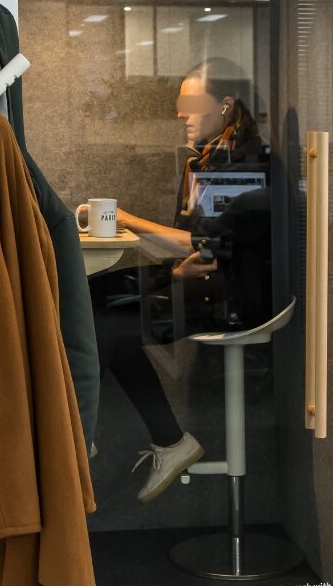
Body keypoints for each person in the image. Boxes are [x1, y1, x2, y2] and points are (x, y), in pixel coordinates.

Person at [90, 58, 270, 503]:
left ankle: (85, 435)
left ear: (225, 105)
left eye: (191, 103)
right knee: (91, 294)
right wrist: (178, 262)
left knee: (105, 325)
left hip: (233, 296)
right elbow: (195, 244)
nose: (180, 114)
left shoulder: (240, 162)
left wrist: (125, 218)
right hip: (207, 274)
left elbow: (203, 247)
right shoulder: (205, 159)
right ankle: (152, 439)